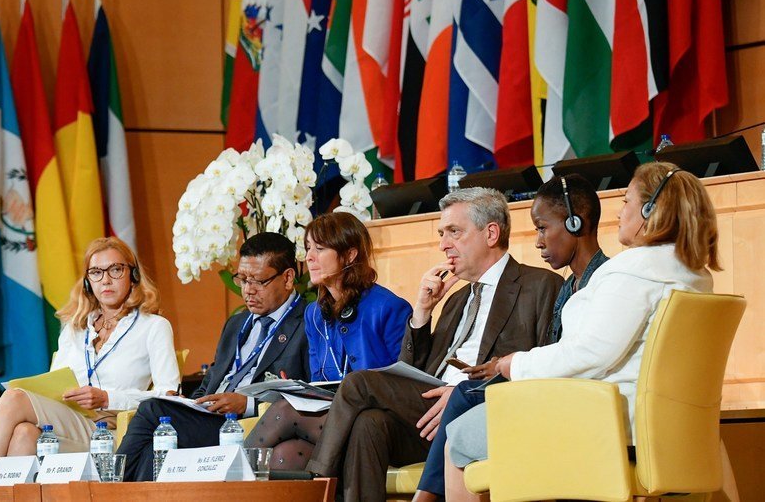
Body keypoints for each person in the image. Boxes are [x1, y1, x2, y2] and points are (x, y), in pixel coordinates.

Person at [441, 163, 719, 502]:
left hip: (604, 423)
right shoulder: (696, 277)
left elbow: (591, 354)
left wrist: (514, 364)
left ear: (650, 210)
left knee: (460, 436)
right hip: (661, 429)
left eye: (627, 201)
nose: (620, 212)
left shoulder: (632, 272)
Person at [304, 187, 564, 501]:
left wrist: (463, 393)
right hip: (429, 412)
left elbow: (545, 366)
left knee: (359, 388)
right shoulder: (454, 301)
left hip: (479, 407)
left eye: (454, 232)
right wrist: (422, 314)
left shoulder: (539, 285)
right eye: (442, 233)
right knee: (368, 424)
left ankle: (317, 482)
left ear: (491, 233)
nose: (443, 245)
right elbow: (409, 373)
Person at [412, 174, 608, 501]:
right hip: (444, 403)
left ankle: (423, 498)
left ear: (575, 224)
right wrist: (421, 313)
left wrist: (508, 364)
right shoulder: (457, 299)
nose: (537, 241)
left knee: (461, 404)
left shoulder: (572, 284)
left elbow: (573, 358)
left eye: (543, 228)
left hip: (552, 404)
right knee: (366, 406)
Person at [0, 237, 180, 485]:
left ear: (132, 275)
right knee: (23, 433)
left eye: (115, 269)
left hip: (110, 431)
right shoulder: (75, 328)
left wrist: (107, 398)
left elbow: (170, 397)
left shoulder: (153, 327)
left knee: (15, 398)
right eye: (96, 272)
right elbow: (55, 382)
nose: (106, 280)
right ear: (88, 282)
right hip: (68, 421)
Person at [117, 232, 311, 481]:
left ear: (287, 278)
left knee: (151, 409)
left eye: (258, 282)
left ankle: (108, 486)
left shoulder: (307, 322)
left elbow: (306, 391)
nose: (248, 291)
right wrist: (188, 403)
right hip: (211, 416)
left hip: (249, 421)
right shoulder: (237, 323)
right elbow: (211, 382)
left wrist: (247, 403)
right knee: (153, 448)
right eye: (242, 280)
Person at [243, 212, 413, 471]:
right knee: (285, 454)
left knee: (284, 411)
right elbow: (318, 380)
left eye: (320, 249)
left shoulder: (390, 307)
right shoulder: (314, 313)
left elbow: (399, 387)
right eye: (308, 248)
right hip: (331, 414)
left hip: (377, 421)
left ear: (350, 255)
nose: (309, 257)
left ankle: (229, 480)